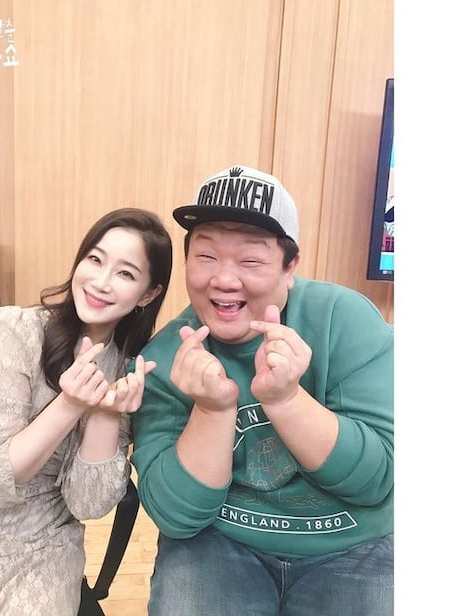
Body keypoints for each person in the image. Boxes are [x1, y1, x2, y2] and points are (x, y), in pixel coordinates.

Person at [131, 165, 394, 616]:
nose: (224, 279)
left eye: (250, 260)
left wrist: (286, 400)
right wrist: (212, 410)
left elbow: (378, 481)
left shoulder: (345, 320)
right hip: (222, 542)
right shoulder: (166, 356)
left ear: (290, 267)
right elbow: (177, 516)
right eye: (206, 255)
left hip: (354, 543)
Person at [0, 207, 173, 616]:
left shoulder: (129, 372)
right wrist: (70, 404)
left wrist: (106, 415)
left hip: (45, 540)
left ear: (148, 294)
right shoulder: (15, 330)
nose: (100, 281)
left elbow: (87, 504)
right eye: (94, 259)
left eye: (125, 273)